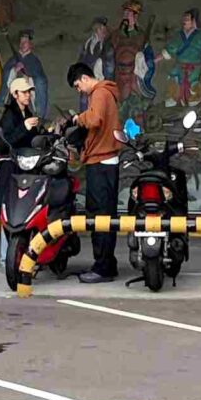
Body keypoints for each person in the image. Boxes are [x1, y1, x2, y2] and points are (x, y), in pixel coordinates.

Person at [66, 61, 122, 283]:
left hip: (101, 162)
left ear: (85, 78)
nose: (79, 90)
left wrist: (79, 118)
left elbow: (95, 119)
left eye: (78, 86)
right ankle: (107, 263)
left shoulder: (99, 93)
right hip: (105, 161)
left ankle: (103, 268)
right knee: (106, 215)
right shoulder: (107, 93)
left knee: (100, 217)